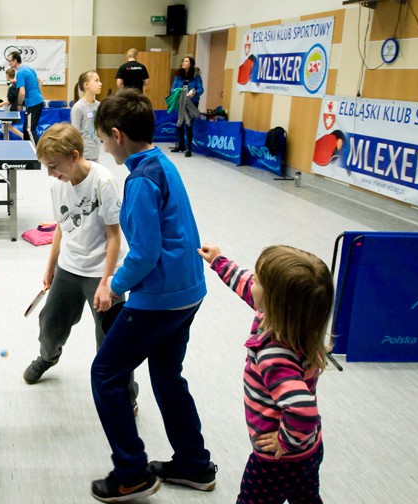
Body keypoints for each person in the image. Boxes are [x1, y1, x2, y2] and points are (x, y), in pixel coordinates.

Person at [89, 88, 214, 503]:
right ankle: (195, 465)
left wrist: (113, 285)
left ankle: (131, 473)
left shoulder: (140, 180)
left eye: (104, 140)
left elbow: (143, 254)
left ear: (117, 135)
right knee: (165, 374)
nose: (105, 148)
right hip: (188, 292)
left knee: (105, 374)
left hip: (159, 299)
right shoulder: (162, 161)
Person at [197, 243, 333, 504]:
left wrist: (285, 441)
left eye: (259, 280)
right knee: (305, 497)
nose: (252, 282)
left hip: (278, 461)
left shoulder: (275, 356)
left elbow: (303, 410)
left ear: (275, 301)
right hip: (310, 447)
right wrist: (219, 262)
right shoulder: (293, 321)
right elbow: (248, 287)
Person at [23, 123, 137, 408]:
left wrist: (107, 281)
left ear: (74, 156)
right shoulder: (57, 185)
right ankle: (48, 357)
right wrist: (51, 265)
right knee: (49, 324)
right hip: (68, 268)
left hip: (102, 272)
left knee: (112, 340)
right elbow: (62, 226)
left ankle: (126, 393)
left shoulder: (104, 182)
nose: (50, 173)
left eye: (53, 165)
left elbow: (114, 236)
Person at [6, 50, 45, 144]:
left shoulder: (19, 73)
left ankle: (38, 155)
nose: (9, 62)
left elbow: (22, 92)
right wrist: (37, 94)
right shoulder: (28, 68)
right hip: (37, 101)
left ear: (15, 61)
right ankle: (27, 152)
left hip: (33, 103)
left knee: (29, 129)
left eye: (10, 60)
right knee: (25, 128)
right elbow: (40, 81)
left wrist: (19, 104)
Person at [170, 56, 203, 157]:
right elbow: (173, 88)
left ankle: (189, 147)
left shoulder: (196, 76)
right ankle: (181, 145)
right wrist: (177, 92)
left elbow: (201, 89)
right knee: (179, 124)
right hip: (181, 102)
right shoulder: (178, 75)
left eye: (186, 61)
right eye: (183, 61)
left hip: (191, 103)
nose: (184, 63)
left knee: (189, 124)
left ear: (191, 63)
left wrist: (194, 92)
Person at [70, 70, 103, 162]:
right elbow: (74, 134)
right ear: (86, 85)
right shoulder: (78, 107)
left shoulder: (99, 105)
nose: (100, 83)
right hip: (83, 156)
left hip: (95, 154)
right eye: (96, 81)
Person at [0, 68, 23, 139]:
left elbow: (10, 100)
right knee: (6, 125)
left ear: (7, 75)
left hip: (11, 109)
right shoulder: (16, 84)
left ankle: (22, 136)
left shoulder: (11, 86)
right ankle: (9, 139)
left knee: (5, 125)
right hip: (13, 108)